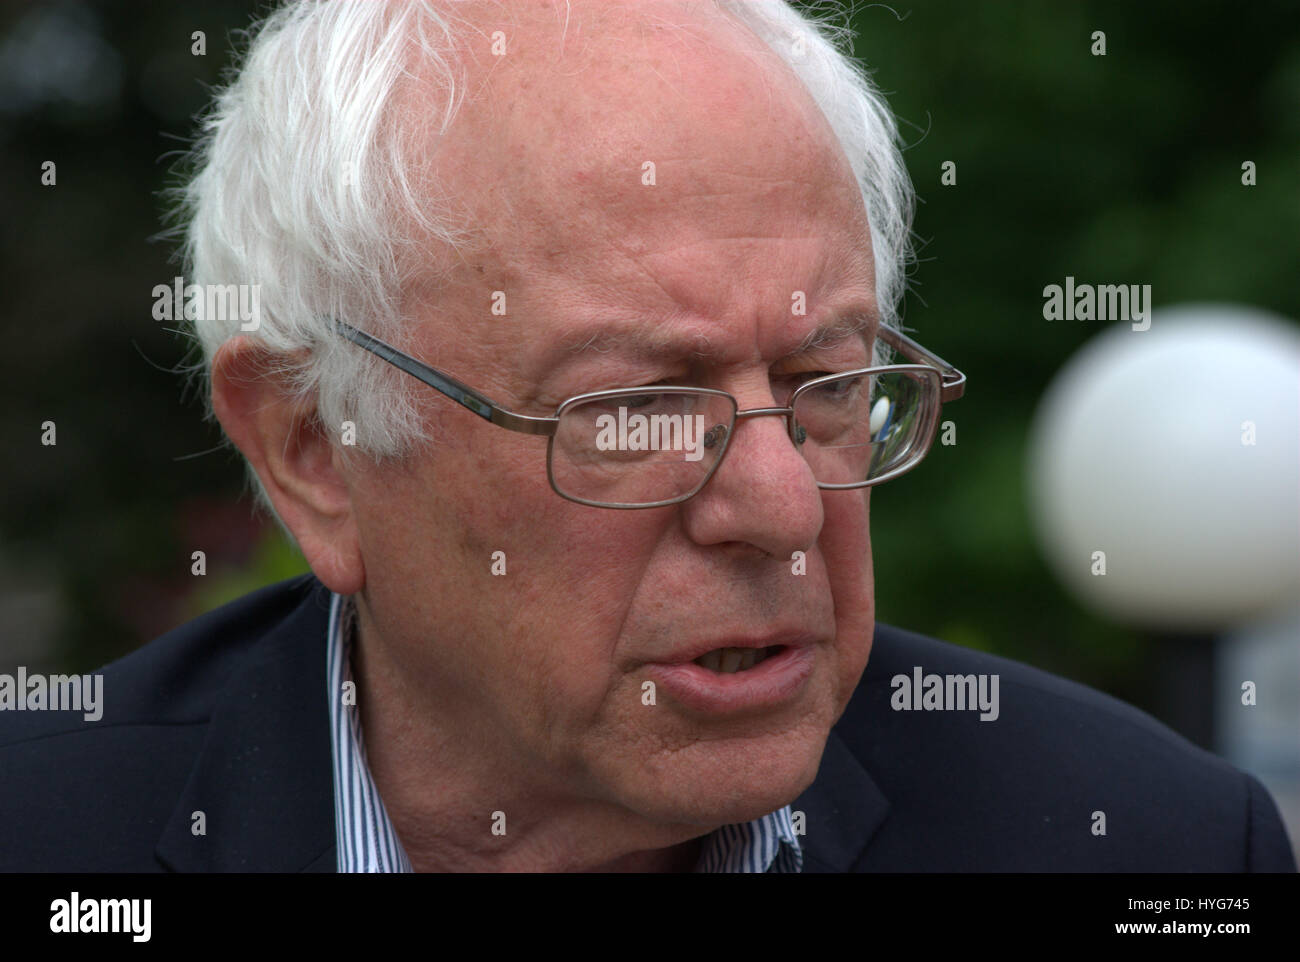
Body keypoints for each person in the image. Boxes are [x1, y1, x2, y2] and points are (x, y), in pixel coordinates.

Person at [0, 0, 1293, 872]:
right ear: (313, 449)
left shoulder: (1137, 840)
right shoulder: (52, 836)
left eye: (828, 378)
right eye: (634, 407)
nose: (782, 507)